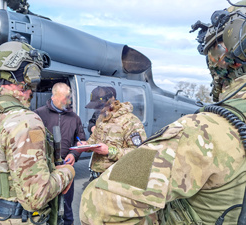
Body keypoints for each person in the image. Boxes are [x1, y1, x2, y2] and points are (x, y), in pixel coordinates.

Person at [79, 3, 246, 224]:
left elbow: (99, 205)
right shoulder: (101, 120)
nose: (99, 111)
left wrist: (109, 150)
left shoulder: (202, 131)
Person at [0, 41, 75, 225]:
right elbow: (35, 198)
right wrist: (67, 172)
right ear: (30, 74)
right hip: (16, 218)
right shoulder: (24, 121)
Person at [34, 82, 86, 225]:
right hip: (44, 170)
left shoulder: (74, 117)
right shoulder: (38, 115)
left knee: (67, 207)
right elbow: (32, 143)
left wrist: (74, 155)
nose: (68, 101)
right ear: (54, 96)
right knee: (44, 205)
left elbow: (81, 140)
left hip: (66, 168)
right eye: (65, 98)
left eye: (69, 98)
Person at [78, 86, 147, 176]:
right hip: (96, 175)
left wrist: (109, 151)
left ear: (111, 103)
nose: (97, 110)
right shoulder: (102, 118)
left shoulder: (130, 121)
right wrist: (86, 145)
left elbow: (139, 154)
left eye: (100, 106)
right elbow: (94, 139)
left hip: (116, 178)